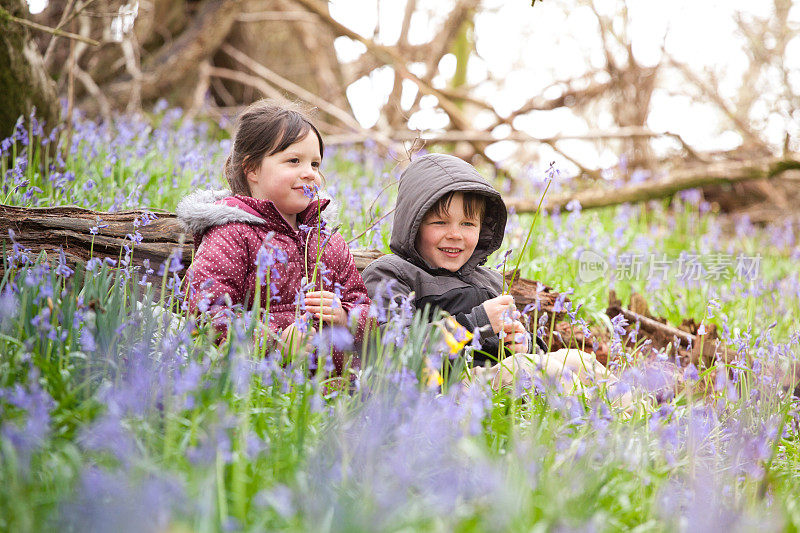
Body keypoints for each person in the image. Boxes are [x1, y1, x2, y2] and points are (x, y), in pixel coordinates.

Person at [362, 153, 628, 402]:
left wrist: (524, 345)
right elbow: (395, 349)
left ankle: (634, 425)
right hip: (445, 390)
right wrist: (475, 322)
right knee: (528, 370)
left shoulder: (489, 280)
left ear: (482, 228)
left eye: (467, 224)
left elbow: (531, 357)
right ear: (413, 223)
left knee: (577, 360)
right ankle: (583, 424)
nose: (455, 234)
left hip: (500, 380)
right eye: (440, 223)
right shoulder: (393, 273)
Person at [177, 100, 371, 372]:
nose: (310, 174)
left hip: (334, 390)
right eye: (294, 161)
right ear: (252, 169)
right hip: (263, 388)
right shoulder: (233, 234)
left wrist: (344, 315)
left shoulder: (327, 238)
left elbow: (365, 307)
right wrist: (275, 344)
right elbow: (206, 311)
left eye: (315, 164)